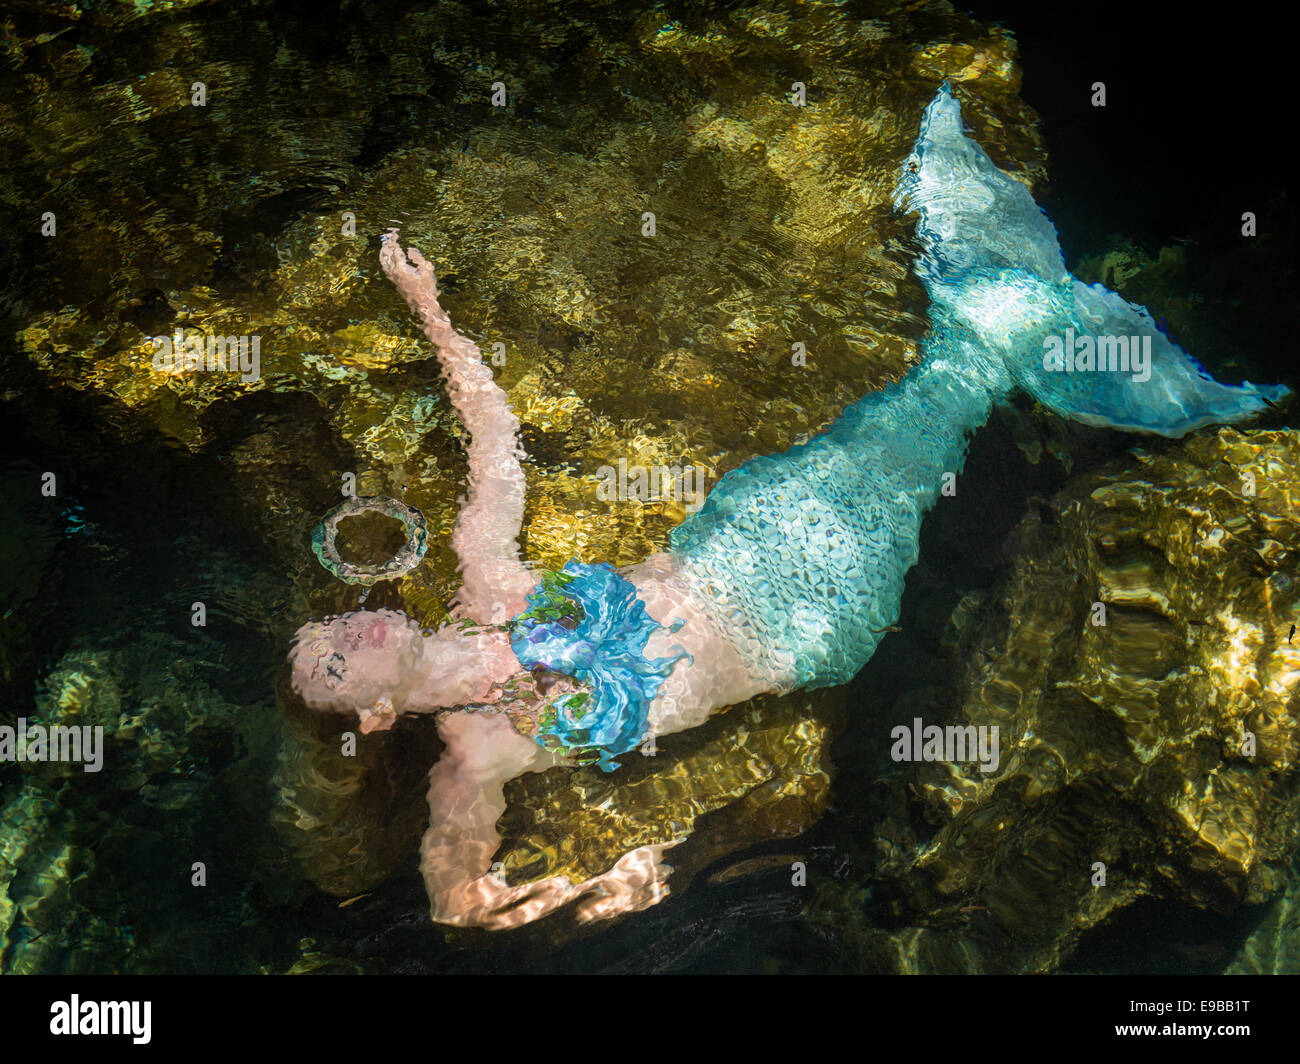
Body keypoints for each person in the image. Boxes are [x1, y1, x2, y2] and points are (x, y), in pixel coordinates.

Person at [289, 84, 1286, 929]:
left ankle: (1002, 321)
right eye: (339, 655)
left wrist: (428, 310)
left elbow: (493, 440)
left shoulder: (485, 576)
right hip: (802, 622)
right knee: (925, 431)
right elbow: (457, 898)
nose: (352, 622)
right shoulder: (473, 756)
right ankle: (1040, 331)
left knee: (916, 412)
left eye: (333, 619)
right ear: (376, 714)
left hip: (737, 535)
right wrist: (613, 880)